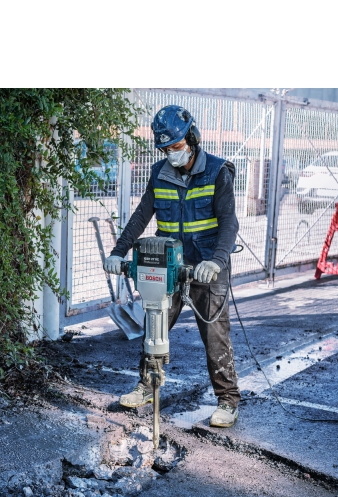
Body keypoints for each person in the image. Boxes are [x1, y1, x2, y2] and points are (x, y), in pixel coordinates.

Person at [103, 105, 241, 427]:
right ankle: (147, 386)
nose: (171, 154)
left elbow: (229, 224)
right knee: (155, 326)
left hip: (207, 266)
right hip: (171, 266)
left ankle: (228, 400)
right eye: (166, 149)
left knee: (215, 335)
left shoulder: (217, 172)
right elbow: (141, 216)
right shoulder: (159, 173)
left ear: (192, 138)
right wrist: (118, 252)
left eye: (176, 146)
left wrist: (216, 261)